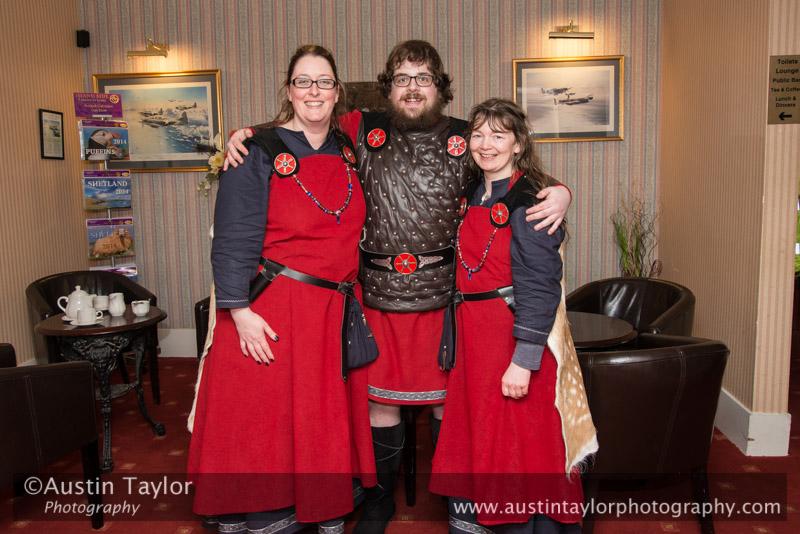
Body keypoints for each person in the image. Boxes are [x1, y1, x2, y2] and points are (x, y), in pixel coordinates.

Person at [224, 40, 573, 534]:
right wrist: (249, 136)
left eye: (424, 78)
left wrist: (560, 191)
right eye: (402, 78)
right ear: (387, 88)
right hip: (376, 293)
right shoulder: (359, 128)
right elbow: (303, 121)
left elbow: (510, 175)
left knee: (449, 401)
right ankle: (380, 501)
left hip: (444, 298)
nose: (413, 88)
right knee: (379, 401)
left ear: (440, 87)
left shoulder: (467, 139)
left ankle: (460, 498)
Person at [187, 44, 376, 534]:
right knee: (262, 428)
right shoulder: (256, 149)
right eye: (303, 81)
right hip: (270, 311)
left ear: (339, 93)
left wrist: (551, 190)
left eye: (324, 81)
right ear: (288, 90)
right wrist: (237, 310)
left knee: (314, 425)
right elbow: (232, 237)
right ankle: (265, 515)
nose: (314, 90)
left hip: (330, 314)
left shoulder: (351, 145)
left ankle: (319, 505)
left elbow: (419, 115)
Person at [429, 99, 598, 533]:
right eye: (479, 134)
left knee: (521, 448)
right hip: (475, 341)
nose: (486, 145)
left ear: (519, 144)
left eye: (498, 136)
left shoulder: (531, 200)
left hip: (512, 341)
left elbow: (542, 286)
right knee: (485, 438)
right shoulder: (473, 191)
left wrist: (523, 361)